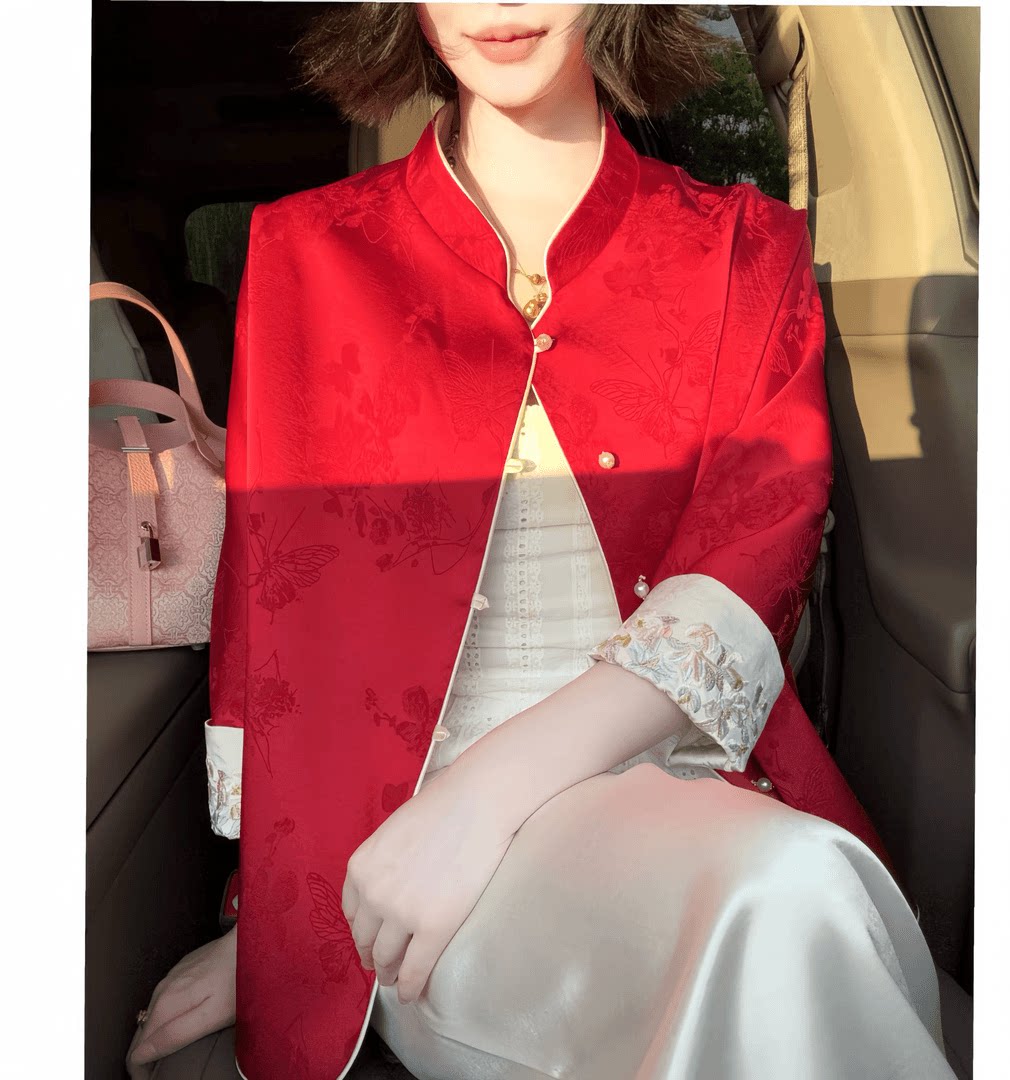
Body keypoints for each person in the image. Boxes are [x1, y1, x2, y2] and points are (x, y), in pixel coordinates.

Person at [127, 5, 958, 1079]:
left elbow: (758, 541)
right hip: (408, 860)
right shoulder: (307, 249)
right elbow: (276, 617)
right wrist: (278, 926)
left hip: (670, 795)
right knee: (782, 904)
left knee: (785, 892)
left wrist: (486, 797)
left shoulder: (744, 244)